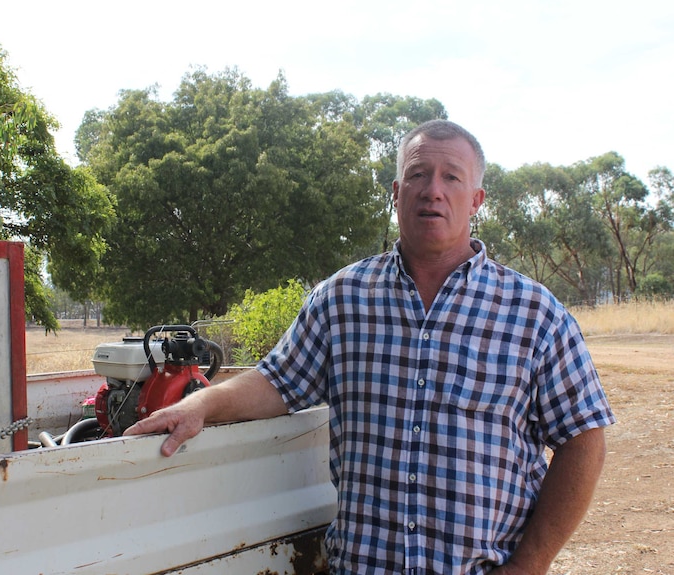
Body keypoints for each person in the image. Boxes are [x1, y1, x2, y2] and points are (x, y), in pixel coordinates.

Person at [124, 119, 615, 574]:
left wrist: (529, 566)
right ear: (398, 193)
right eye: (419, 174)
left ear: (477, 199)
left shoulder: (535, 314)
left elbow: (583, 438)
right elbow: (277, 381)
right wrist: (200, 405)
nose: (433, 191)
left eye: (451, 177)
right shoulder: (341, 298)